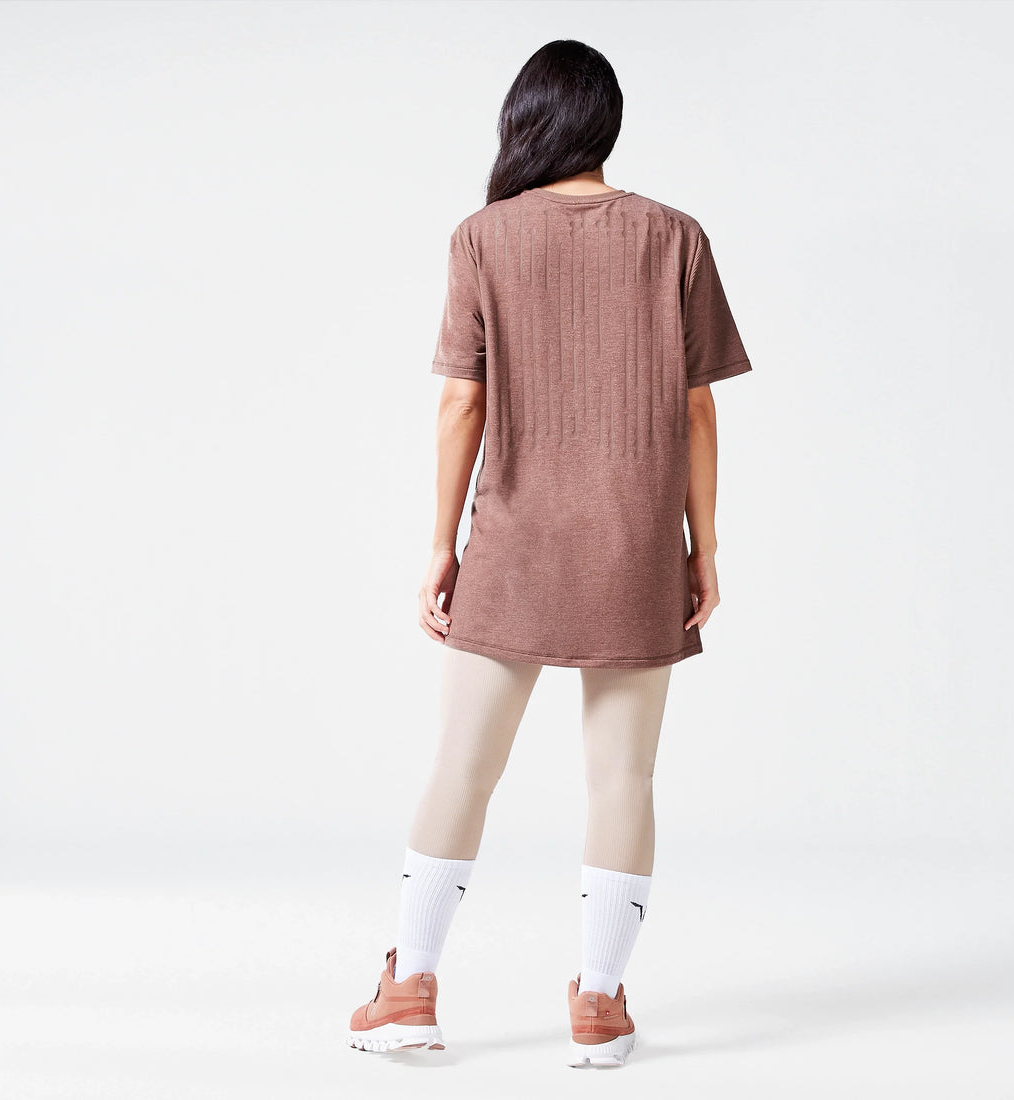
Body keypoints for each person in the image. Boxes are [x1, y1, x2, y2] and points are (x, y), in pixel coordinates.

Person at [347, 38, 753, 1068]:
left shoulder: (482, 237)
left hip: (514, 544)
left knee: (462, 765)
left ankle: (409, 988)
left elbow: (461, 402)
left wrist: (440, 545)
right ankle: (600, 1003)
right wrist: (703, 545)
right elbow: (697, 410)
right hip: (634, 545)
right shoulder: (675, 237)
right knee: (623, 776)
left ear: (524, 123)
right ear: (606, 123)